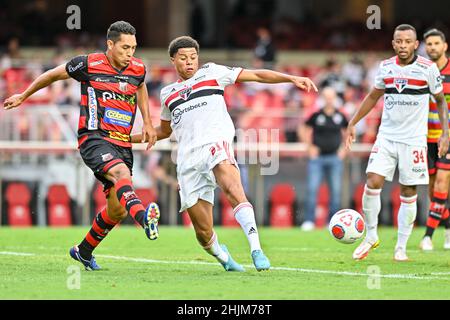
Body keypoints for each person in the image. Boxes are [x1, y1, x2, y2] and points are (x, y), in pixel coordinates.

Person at [133, 36, 317, 271]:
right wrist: (126, 139)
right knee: (203, 233)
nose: (190, 62)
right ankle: (223, 257)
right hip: (187, 160)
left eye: (193, 57)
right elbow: (163, 131)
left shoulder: (212, 72)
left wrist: (290, 78)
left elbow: (257, 75)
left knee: (233, 189)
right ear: (173, 60)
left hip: (215, 144)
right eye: (183, 58)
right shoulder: (168, 93)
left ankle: (256, 248)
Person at [3, 21, 160, 271]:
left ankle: (83, 251)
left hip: (122, 143)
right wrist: (24, 95)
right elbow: (53, 74)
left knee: (116, 211)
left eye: (133, 47)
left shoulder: (138, 68)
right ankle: (145, 220)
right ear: (110, 44)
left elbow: (140, 86)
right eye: (124, 47)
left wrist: (149, 122)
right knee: (121, 174)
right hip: (94, 138)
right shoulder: (88, 63)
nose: (130, 53)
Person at [346, 24, 449, 262]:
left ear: (415, 44)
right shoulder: (385, 67)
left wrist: (445, 133)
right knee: (372, 179)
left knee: (408, 190)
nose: (403, 45)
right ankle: (370, 236)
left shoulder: (428, 68)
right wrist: (353, 122)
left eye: (407, 41)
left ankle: (400, 247)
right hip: (387, 137)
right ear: (393, 43)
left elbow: (441, 101)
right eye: (398, 41)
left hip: (414, 141)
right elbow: (373, 95)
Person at [299, 87, 348, 231]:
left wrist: (344, 150)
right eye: (326, 96)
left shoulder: (341, 115)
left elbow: (349, 132)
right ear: (322, 98)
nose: (329, 99)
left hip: (334, 158)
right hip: (317, 158)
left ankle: (331, 222)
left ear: (335, 98)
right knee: (312, 189)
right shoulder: (316, 115)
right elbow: (303, 128)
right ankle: (309, 220)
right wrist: (309, 147)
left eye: (331, 96)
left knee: (336, 191)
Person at [420, 28, 450, 251]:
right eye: (428, 44)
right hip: (425, 139)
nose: (432, 47)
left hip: (446, 137)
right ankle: (448, 228)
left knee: (442, 184)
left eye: (436, 43)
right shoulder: (421, 72)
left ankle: (427, 236)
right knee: (433, 192)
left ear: (445, 46)